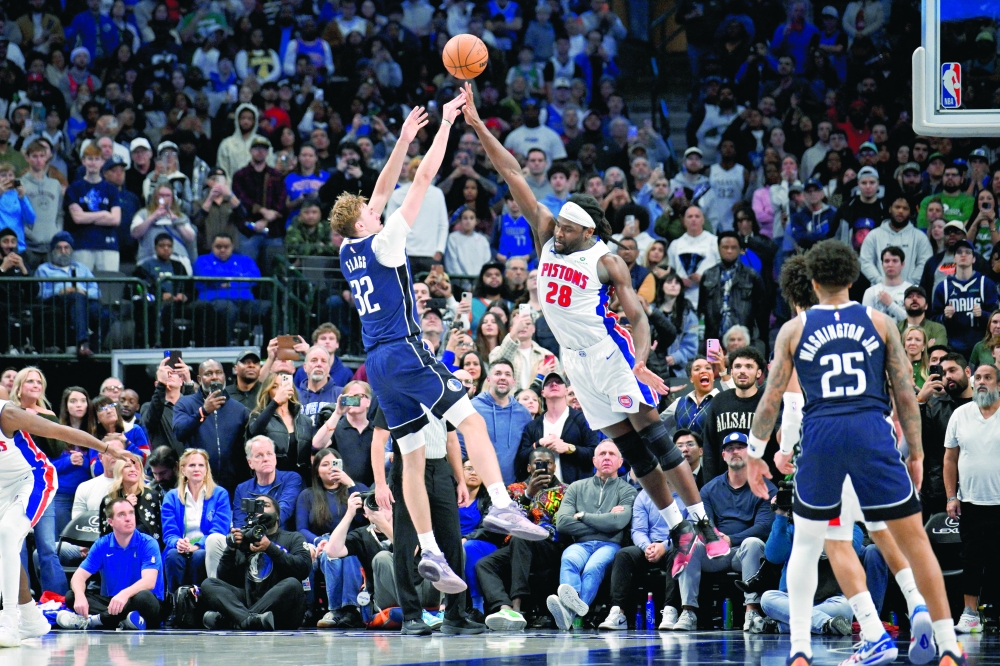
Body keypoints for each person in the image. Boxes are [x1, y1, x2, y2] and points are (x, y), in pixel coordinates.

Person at [464, 82, 728, 587]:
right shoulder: (548, 233)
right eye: (557, 224)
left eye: (567, 228)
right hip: (576, 362)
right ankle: (678, 530)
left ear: (588, 232)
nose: (557, 231)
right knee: (631, 451)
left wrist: (641, 359)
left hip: (611, 353)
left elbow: (640, 315)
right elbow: (513, 172)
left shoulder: (604, 259)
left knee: (655, 436)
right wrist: (478, 125)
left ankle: (701, 521)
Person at [331, 98, 547, 592]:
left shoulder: (349, 249)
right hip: (406, 348)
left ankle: (427, 550)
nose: (376, 209)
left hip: (377, 362)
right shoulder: (384, 243)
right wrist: (446, 124)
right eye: (370, 211)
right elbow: (421, 182)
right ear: (364, 222)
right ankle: (501, 503)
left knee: (409, 455)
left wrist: (404, 139)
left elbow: (382, 191)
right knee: (469, 418)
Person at [746, 239, 962, 666]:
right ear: (852, 278)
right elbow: (904, 392)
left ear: (811, 280)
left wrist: (756, 453)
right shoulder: (880, 321)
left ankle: (801, 651)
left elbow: (772, 398)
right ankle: (948, 647)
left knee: (809, 545)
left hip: (821, 433)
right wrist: (916, 454)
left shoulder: (793, 330)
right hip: (871, 428)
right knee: (914, 540)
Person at [673, 432, 775, 631]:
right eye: (729, 449)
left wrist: (730, 539)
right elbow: (704, 523)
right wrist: (718, 540)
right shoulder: (710, 489)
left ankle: (751, 611)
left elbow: (765, 526)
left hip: (745, 553)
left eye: (740, 447)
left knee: (752, 542)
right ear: (723, 456)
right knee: (689, 544)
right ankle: (688, 612)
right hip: (716, 552)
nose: (735, 452)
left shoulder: (766, 488)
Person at [547, 441, 637, 630]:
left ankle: (568, 612)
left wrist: (583, 516)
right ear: (594, 460)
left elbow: (619, 522)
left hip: (610, 545)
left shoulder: (627, 490)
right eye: (602, 454)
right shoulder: (576, 487)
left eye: (612, 454)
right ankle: (573, 613)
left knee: (593, 567)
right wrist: (605, 523)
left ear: (620, 462)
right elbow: (562, 523)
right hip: (581, 544)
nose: (606, 457)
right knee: (569, 559)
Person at [943, 362, 1000, 635]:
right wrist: (951, 496)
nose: (981, 382)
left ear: (998, 384)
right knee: (971, 559)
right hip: (971, 501)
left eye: (988, 377)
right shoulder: (960, 415)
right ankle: (969, 614)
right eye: (977, 377)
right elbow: (950, 458)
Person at [199, 494, 311, 630]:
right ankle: (250, 620)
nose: (260, 510)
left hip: (281, 611)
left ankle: (235, 621)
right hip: (250, 599)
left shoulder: (294, 537)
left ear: (277, 516)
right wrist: (231, 549)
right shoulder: (245, 540)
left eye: (266, 505)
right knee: (209, 583)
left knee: (293, 584)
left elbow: (304, 568)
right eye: (257, 507)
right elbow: (225, 579)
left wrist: (270, 548)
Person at [55, 498, 163, 633]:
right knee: (72, 596)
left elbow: (149, 582)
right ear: (110, 521)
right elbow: (78, 577)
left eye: (131, 513)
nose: (128, 518)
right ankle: (124, 621)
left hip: (141, 603)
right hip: (114, 602)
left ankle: (92, 621)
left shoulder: (148, 543)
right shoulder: (102, 544)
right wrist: (80, 595)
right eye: (121, 515)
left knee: (143, 597)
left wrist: (125, 594)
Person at [599, 480, 684, 630]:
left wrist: (664, 546)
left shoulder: (686, 495)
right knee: (623, 555)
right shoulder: (644, 496)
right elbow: (638, 530)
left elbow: (688, 530)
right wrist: (647, 547)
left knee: (677, 552)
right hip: (649, 546)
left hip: (674, 545)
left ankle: (671, 611)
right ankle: (618, 613)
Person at [300, 449, 369, 629]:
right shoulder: (307, 495)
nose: (331, 468)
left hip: (353, 541)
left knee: (347, 553)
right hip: (322, 543)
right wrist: (317, 542)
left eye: (335, 463)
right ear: (316, 470)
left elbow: (368, 517)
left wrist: (350, 485)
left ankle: (346, 609)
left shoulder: (358, 488)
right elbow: (301, 528)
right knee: (331, 554)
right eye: (325, 464)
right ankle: (343, 610)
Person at [173, 359, 251, 495]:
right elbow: (180, 432)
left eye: (218, 373)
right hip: (197, 482)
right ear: (199, 378)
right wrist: (203, 411)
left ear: (224, 377)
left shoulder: (239, 409)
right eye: (208, 374)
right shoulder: (185, 403)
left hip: (233, 484)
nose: (215, 377)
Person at [161, 449, 231, 595]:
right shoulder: (172, 497)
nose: (197, 469)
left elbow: (219, 530)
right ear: (183, 470)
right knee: (173, 556)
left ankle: (197, 603)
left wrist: (198, 545)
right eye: (192, 465)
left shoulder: (219, 494)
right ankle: (176, 603)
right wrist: (177, 542)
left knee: (199, 556)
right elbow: (169, 531)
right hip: (180, 547)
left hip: (205, 547)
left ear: (206, 470)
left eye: (201, 465)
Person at [517, 371, 598, 484]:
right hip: (541, 492)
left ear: (566, 390)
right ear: (543, 392)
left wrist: (568, 448)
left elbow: (595, 454)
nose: (554, 384)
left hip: (576, 491)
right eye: (549, 383)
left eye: (559, 382)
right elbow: (521, 460)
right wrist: (539, 444)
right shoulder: (533, 426)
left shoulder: (582, 419)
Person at [700, 347, 768, 480]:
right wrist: (710, 484)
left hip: (761, 483)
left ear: (759, 373)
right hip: (724, 484)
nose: (742, 371)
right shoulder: (719, 401)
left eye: (749, 366)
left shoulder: (767, 403)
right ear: (731, 372)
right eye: (737, 366)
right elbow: (709, 447)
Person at [34, 231, 103, 356]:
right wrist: (60, 291)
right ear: (53, 251)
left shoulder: (82, 268)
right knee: (76, 298)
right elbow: (39, 293)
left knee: (105, 314)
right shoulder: (44, 269)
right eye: (59, 248)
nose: (63, 251)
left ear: (71, 250)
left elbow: (97, 292)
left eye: (66, 248)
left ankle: (94, 350)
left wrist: (84, 292)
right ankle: (82, 343)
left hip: (84, 301)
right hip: (57, 303)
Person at [698, 232, 769, 350]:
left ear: (740, 249)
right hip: (713, 337)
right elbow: (702, 308)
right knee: (713, 366)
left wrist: (758, 338)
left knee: (740, 366)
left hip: (741, 337)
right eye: (725, 247)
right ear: (718, 248)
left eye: (733, 247)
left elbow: (762, 311)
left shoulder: (752, 276)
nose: (729, 251)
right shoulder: (708, 275)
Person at [931, 239, 999, 360]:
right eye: (959, 252)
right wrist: (944, 317)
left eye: (967, 252)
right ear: (954, 258)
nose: (963, 255)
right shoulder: (943, 287)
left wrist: (983, 315)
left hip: (981, 347)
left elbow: (997, 317)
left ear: (974, 259)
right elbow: (933, 320)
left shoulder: (986, 284)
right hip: (952, 348)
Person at [472, 360, 533, 484]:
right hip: (479, 487)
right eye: (498, 373)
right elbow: (461, 448)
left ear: (513, 381)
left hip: (512, 487)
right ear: (488, 379)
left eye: (507, 374)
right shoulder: (472, 408)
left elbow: (526, 452)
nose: (503, 378)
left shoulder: (523, 414)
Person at [64, 143, 121, 271]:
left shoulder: (111, 189)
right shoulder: (74, 188)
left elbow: (116, 219)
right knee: (82, 287)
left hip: (108, 245)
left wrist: (87, 216)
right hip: (82, 245)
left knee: (109, 287)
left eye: (97, 159)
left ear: (102, 162)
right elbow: (77, 218)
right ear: (83, 161)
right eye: (90, 159)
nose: (93, 163)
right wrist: (104, 214)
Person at [246, 374, 312, 481]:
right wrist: (276, 402)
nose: (281, 390)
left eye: (284, 385)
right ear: (268, 391)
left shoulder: (305, 421)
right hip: (270, 480)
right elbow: (254, 432)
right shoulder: (258, 417)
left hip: (301, 480)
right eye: (275, 387)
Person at [232, 435, 303, 530]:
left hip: (281, 537)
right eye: (259, 455)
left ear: (275, 458)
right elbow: (240, 523)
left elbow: (283, 511)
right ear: (250, 463)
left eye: (269, 454)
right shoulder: (242, 489)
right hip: (251, 539)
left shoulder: (291, 479)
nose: (266, 459)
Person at [311, 380, 375, 486]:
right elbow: (316, 445)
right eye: (349, 397)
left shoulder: (376, 430)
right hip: (341, 490)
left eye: (358, 396)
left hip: (370, 491)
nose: (353, 400)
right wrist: (337, 413)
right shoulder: (336, 426)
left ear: (368, 401)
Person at [97, 457, 162, 551]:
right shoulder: (109, 500)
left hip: (148, 552)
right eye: (127, 466)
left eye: (136, 466)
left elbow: (153, 531)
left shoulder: (154, 497)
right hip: (116, 553)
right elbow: (105, 535)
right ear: (119, 470)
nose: (133, 469)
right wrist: (124, 506)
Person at [667, 205, 720, 308]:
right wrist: (679, 280)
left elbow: (722, 269)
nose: (693, 219)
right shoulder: (676, 244)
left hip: (709, 296)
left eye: (697, 216)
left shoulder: (714, 241)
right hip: (682, 297)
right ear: (684, 221)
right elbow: (670, 271)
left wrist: (705, 279)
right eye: (690, 217)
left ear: (703, 220)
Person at [861, 246, 911, 322]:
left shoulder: (912, 290)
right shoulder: (871, 292)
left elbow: (914, 322)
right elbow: (866, 322)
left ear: (902, 264)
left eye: (895, 261)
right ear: (882, 264)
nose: (890, 265)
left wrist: (890, 304)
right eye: (887, 261)